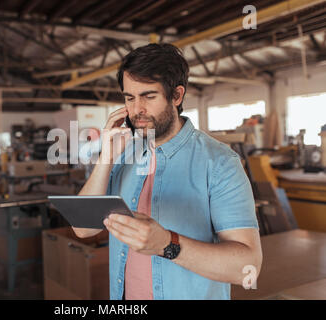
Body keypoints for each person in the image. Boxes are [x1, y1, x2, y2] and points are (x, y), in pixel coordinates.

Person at [72, 43, 262, 300]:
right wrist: (106, 158)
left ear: (177, 95)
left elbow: (247, 269)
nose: (136, 109)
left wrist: (168, 244)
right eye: (129, 98)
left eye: (148, 97)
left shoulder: (219, 162)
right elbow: (83, 229)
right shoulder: (123, 154)